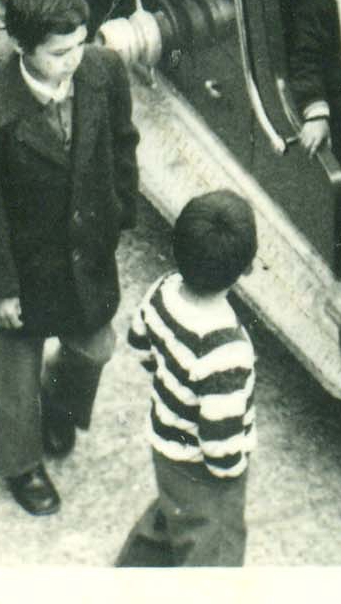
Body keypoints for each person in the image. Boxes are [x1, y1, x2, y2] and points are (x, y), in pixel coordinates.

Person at [0, 0, 141, 519]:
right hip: (26, 268)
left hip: (86, 253)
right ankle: (20, 462)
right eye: (59, 52)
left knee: (95, 345)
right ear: (20, 46)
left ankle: (59, 407)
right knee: (19, 372)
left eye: (80, 44)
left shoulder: (103, 71)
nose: (75, 59)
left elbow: (122, 144)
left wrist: (120, 210)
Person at [115, 190, 259, 570]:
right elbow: (219, 440)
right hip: (206, 472)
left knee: (170, 512)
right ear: (245, 268)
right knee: (213, 549)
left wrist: (170, 380)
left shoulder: (163, 289)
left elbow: (138, 341)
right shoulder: (227, 348)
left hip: (165, 444)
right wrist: (232, 470)